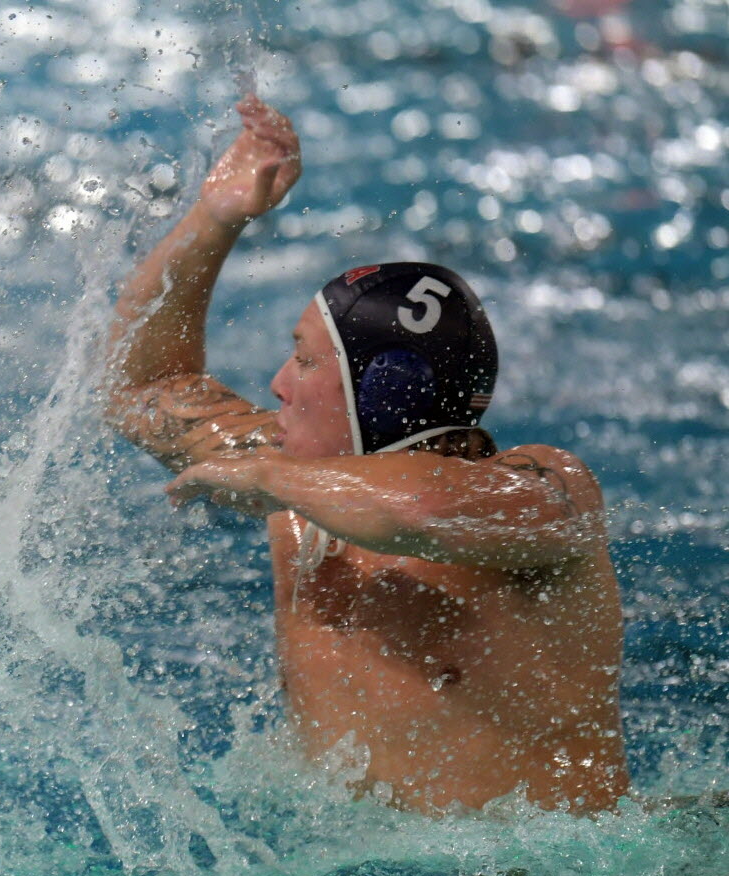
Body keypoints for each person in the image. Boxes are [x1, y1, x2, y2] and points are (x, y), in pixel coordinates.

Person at [104, 96, 629, 814]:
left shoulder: (546, 492)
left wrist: (271, 478)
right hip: (358, 872)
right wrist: (214, 218)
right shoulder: (294, 475)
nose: (277, 384)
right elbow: (138, 389)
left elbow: (424, 507)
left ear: (382, 391)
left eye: (304, 361)